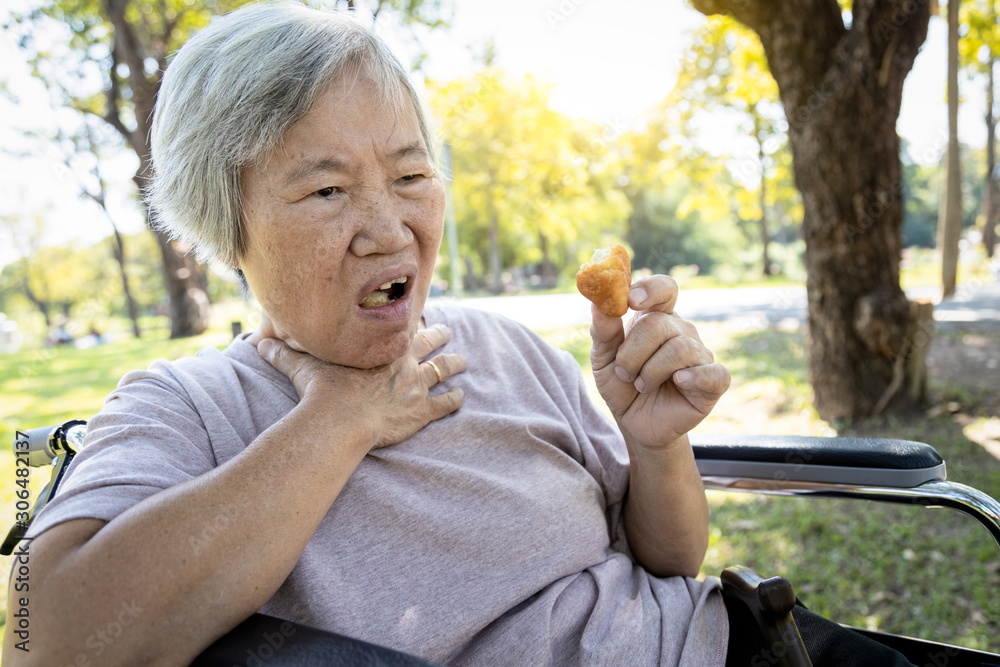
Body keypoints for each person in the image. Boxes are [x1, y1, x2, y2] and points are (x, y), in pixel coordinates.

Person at [3, 4, 917, 666]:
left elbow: (671, 560)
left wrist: (655, 443)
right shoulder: (186, 405)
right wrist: (342, 419)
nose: (388, 226)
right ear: (223, 223)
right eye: (326, 190)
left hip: (749, 643)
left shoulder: (508, 344)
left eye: (410, 174)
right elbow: (43, 640)